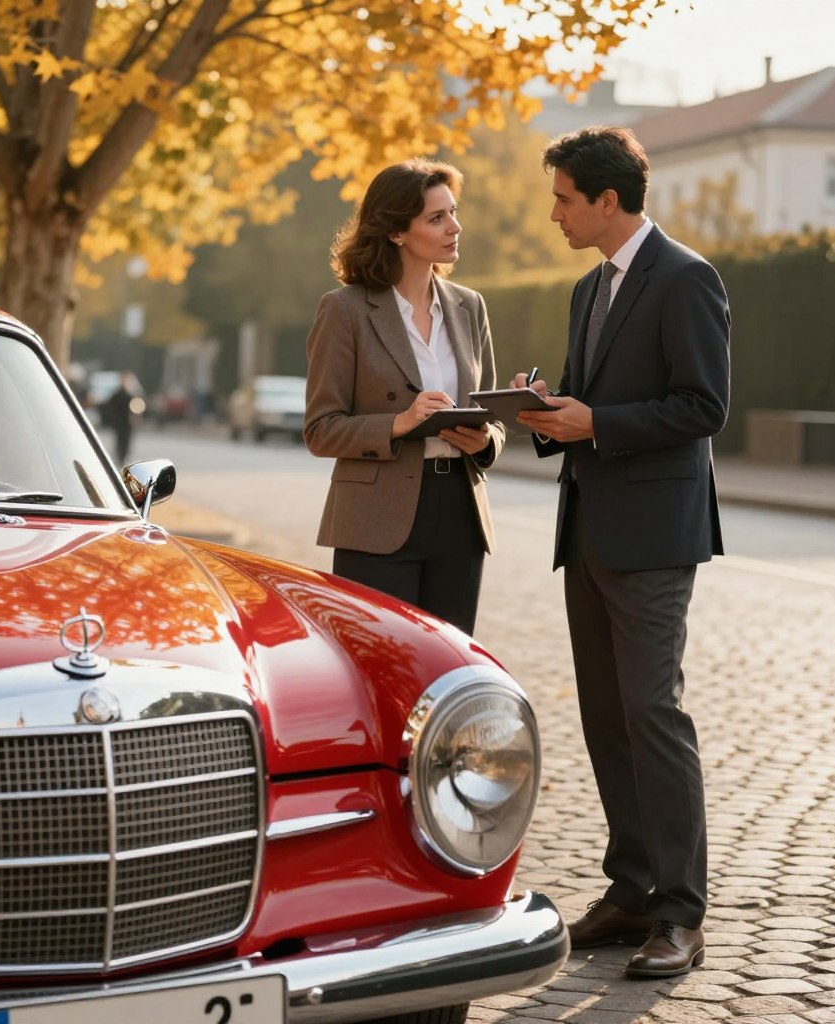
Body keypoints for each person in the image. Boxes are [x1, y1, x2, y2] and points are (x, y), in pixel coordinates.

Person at [513, 126, 730, 978]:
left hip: (654, 536)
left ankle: (681, 912)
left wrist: (596, 422)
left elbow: (703, 406)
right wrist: (545, 411)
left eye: (565, 199)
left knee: (652, 713)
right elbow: (586, 404)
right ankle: (632, 888)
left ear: (608, 200)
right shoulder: (587, 288)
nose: (555, 214)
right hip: (588, 528)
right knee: (606, 716)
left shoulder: (687, 277)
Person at [303, 158, 506, 635]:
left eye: (453, 212)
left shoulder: (469, 306)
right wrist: (399, 423)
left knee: (450, 662)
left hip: (460, 515)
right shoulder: (344, 310)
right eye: (436, 218)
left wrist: (486, 442)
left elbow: (492, 415)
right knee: (379, 661)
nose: (454, 227)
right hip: (376, 522)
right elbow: (320, 430)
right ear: (396, 231)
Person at [100, 371, 142, 465]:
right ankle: (120, 458)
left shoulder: (132, 395)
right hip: (119, 423)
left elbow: (137, 408)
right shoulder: (117, 395)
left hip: (127, 424)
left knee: (126, 443)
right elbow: (110, 407)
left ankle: (122, 458)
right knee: (120, 442)